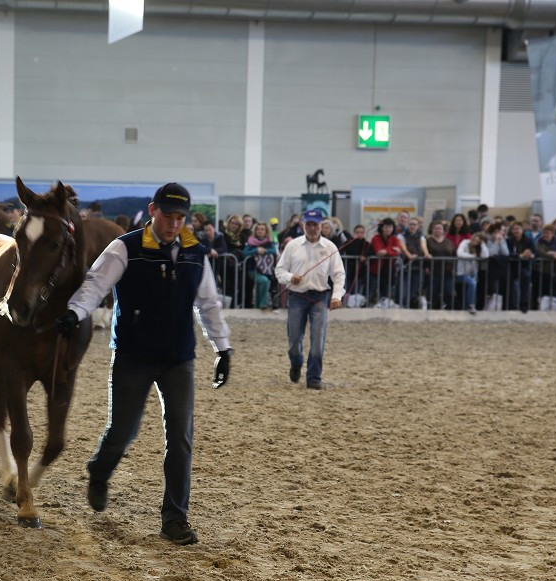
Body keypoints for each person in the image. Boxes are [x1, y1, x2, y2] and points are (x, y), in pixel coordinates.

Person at [54, 182, 231, 546]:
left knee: (181, 438)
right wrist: (74, 313)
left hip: (178, 359)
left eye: (180, 217)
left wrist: (222, 348)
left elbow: (209, 305)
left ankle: (174, 518)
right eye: (168, 216)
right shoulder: (126, 248)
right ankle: (99, 471)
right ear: (153, 211)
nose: (174, 224)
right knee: (123, 431)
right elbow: (94, 285)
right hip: (133, 356)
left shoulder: (196, 253)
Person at [274, 209, 345, 389]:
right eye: (309, 224)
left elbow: (338, 274)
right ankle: (296, 362)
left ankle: (314, 377)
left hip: (320, 297)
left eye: (315, 224)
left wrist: (336, 296)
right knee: (294, 341)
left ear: (321, 225)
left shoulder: (330, 247)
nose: (312, 228)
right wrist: (291, 277)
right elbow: (279, 270)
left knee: (318, 339)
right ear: (303, 225)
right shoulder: (293, 246)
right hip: (297, 297)